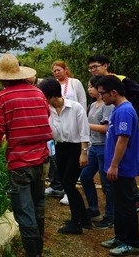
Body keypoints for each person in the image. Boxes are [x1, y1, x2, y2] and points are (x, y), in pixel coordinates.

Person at [0, 54, 52, 257]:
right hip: (43, 159)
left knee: (24, 212)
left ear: (1, 77)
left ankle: (33, 254)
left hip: (20, 162)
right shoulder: (38, 94)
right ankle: (39, 249)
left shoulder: (1, 98)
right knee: (39, 204)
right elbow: (43, 119)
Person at [88, 54, 139, 212]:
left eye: (95, 66)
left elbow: (123, 139)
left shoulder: (121, 84)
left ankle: (128, 234)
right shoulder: (112, 103)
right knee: (120, 196)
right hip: (114, 154)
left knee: (124, 198)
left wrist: (114, 165)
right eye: (90, 68)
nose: (93, 70)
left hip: (122, 162)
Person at [38, 78, 91, 234]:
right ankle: (82, 218)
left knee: (68, 184)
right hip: (60, 148)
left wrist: (83, 152)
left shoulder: (75, 108)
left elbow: (84, 132)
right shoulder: (48, 110)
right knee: (66, 183)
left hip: (76, 149)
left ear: (52, 94)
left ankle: (77, 223)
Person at [95, 75, 139, 255]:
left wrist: (114, 165)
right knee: (119, 203)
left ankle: (132, 241)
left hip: (123, 167)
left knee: (126, 204)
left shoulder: (125, 111)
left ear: (113, 92)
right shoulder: (116, 108)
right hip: (116, 166)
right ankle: (120, 236)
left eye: (102, 94)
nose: (101, 97)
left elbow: (123, 140)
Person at [46, 61, 88, 204]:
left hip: (75, 129)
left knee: (70, 177)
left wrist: (84, 149)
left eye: (59, 70)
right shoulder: (50, 97)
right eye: (54, 71)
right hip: (60, 137)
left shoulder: (74, 83)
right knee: (61, 172)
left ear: (66, 70)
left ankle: (70, 196)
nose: (57, 73)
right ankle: (61, 189)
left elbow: (82, 102)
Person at [79, 75, 115, 229]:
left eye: (91, 87)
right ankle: (94, 209)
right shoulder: (93, 105)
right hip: (94, 147)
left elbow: (106, 129)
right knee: (85, 176)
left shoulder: (108, 106)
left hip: (104, 147)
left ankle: (110, 216)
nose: (89, 90)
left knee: (107, 183)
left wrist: (85, 125)